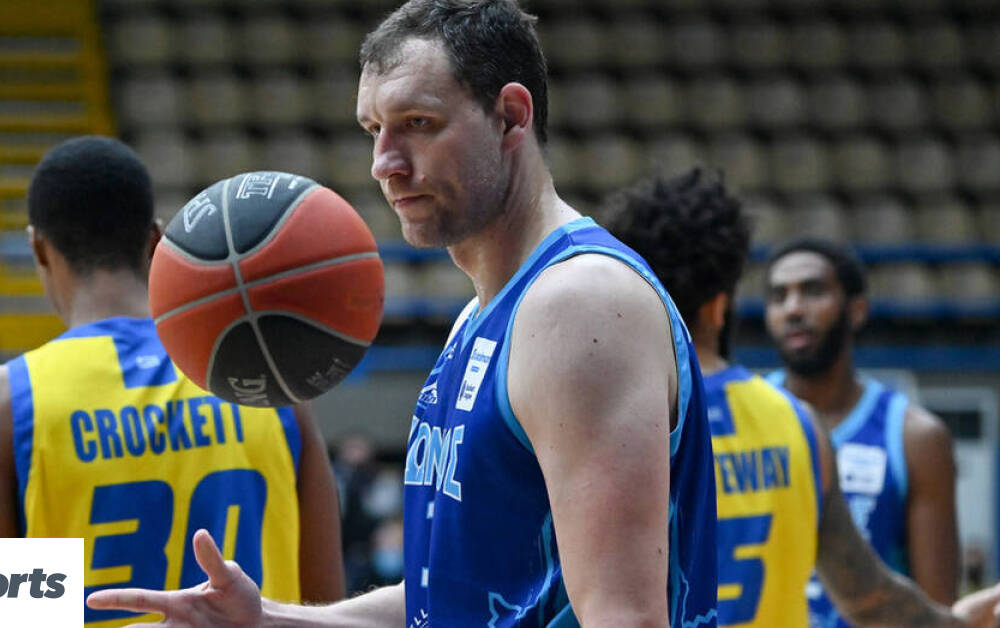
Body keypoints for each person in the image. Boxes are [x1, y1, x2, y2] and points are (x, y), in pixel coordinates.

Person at [89, 1, 719, 626]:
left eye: (418, 123)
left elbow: (624, 617)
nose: (383, 164)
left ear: (510, 116)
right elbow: (447, 594)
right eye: (374, 130)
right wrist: (270, 620)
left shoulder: (579, 305)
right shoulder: (483, 316)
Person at [0, 136, 345, 626]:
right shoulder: (262, 376)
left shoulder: (2, 400)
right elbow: (331, 611)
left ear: (39, 248)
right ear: (157, 242)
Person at [604, 168, 1000, 628]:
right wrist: (955, 624)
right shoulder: (801, 423)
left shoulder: (618, 422)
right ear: (720, 303)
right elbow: (870, 598)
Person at [764, 237, 961, 628]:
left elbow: (937, 608)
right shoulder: (735, 418)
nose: (793, 309)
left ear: (856, 310)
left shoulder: (915, 437)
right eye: (778, 296)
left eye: (813, 291)